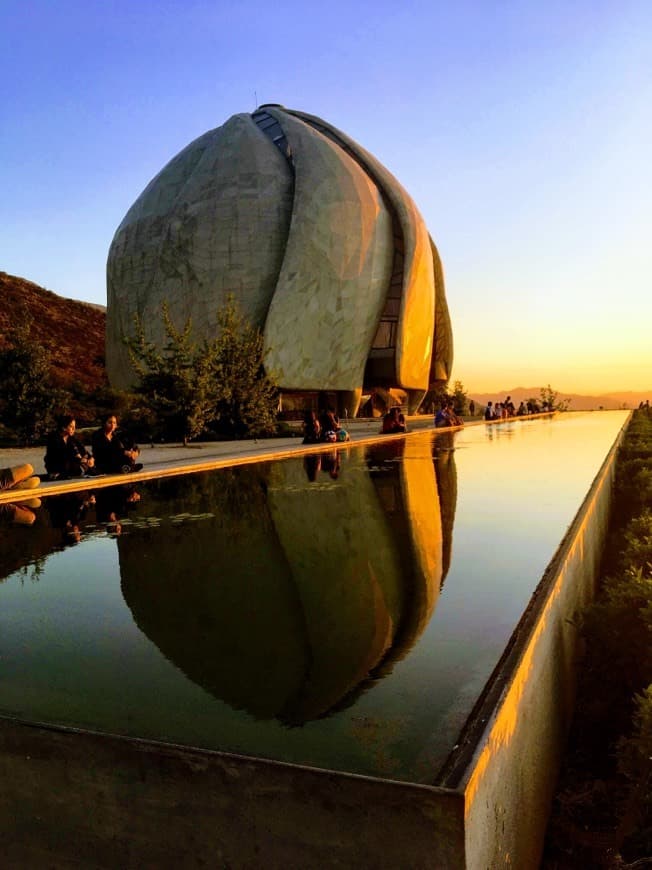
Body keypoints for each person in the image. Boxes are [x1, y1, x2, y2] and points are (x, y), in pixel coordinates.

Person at [44, 414, 96, 480]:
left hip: (71, 468)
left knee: (84, 460)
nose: (74, 429)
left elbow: (82, 449)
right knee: (76, 457)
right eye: (71, 426)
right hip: (57, 467)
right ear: (64, 427)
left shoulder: (72, 438)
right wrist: (79, 459)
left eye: (74, 426)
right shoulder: (54, 438)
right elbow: (61, 455)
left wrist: (90, 458)